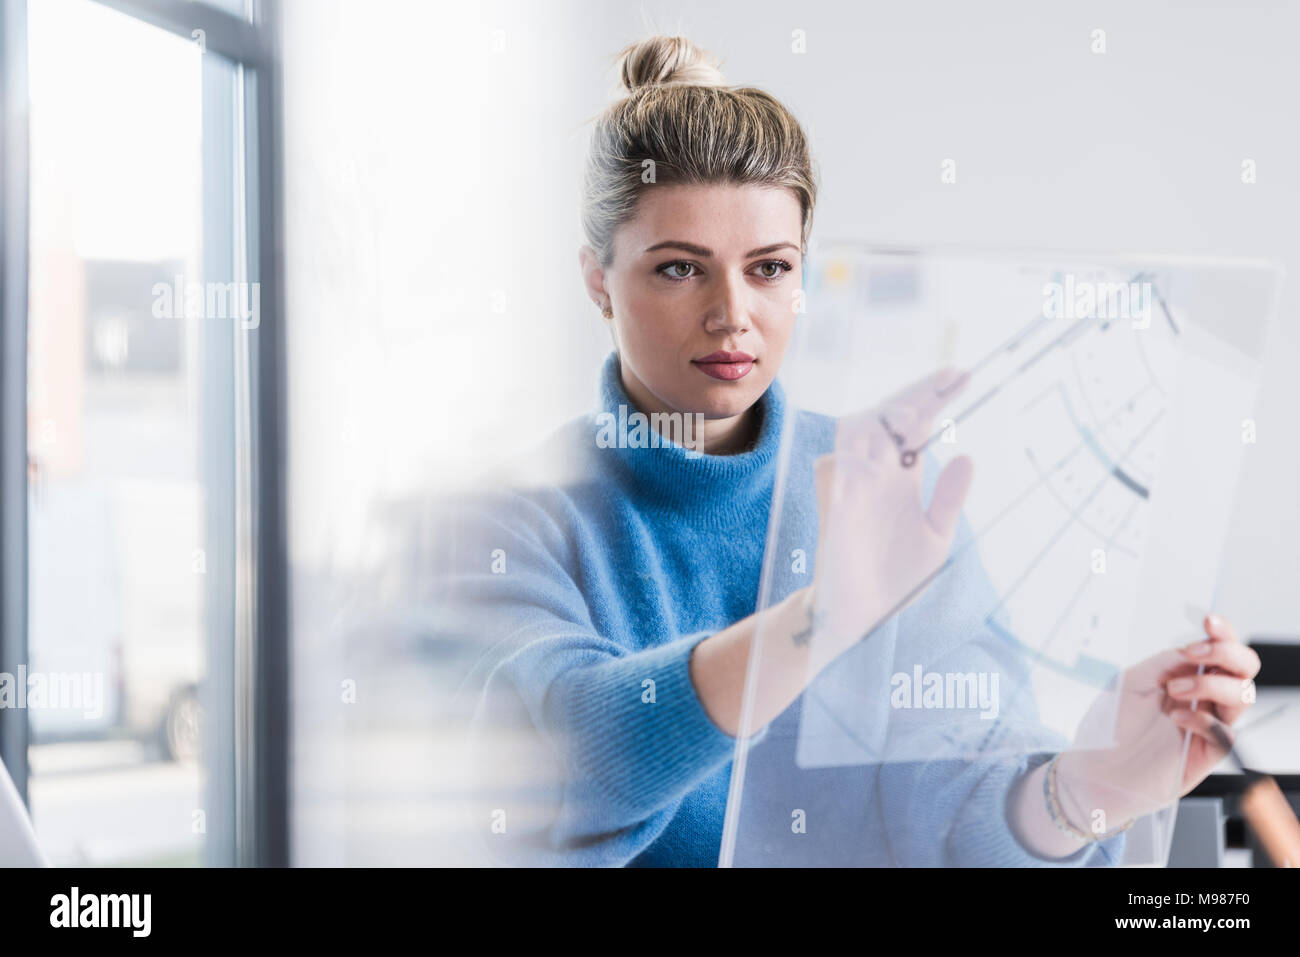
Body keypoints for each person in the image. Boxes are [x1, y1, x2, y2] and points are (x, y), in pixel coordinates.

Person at [433, 35, 1261, 867]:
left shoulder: (888, 488)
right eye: (681, 269)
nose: (732, 315)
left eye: (768, 267)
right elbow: (551, 769)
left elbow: (952, 799)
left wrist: (1089, 788)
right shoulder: (511, 523)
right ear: (595, 279)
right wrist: (819, 620)